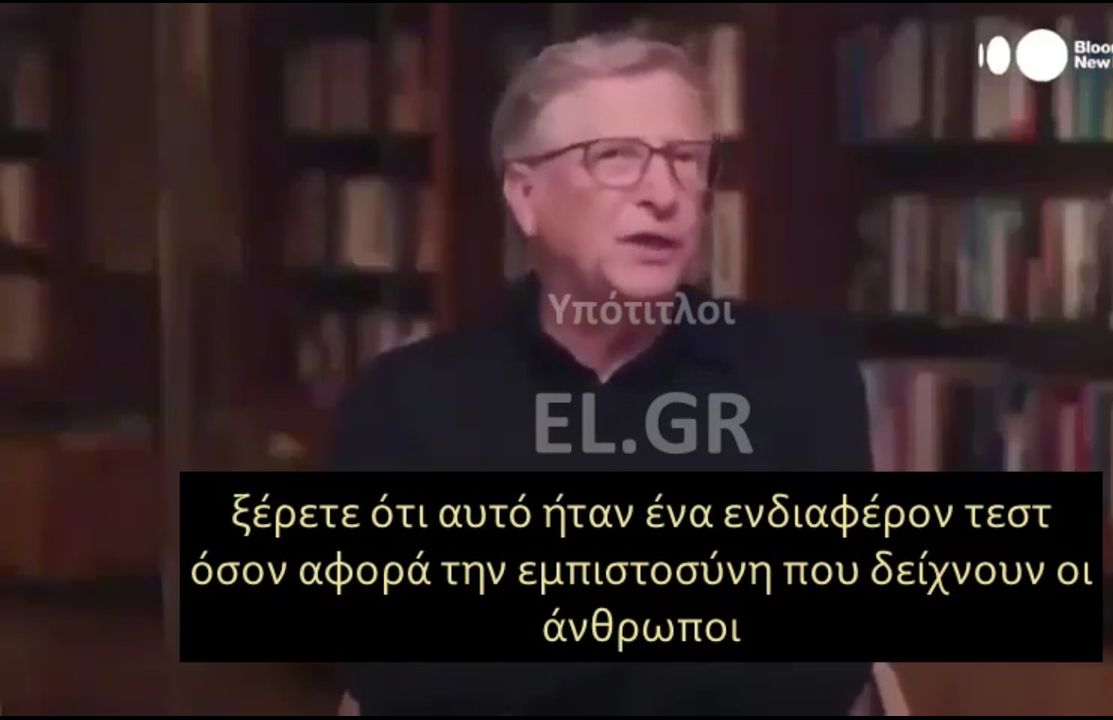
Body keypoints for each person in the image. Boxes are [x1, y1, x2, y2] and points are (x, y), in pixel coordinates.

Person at [330, 29, 895, 715]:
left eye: (687, 160)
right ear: (525, 194)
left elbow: (819, 668)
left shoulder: (802, 382)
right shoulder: (406, 405)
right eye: (617, 157)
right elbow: (400, 673)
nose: (664, 193)